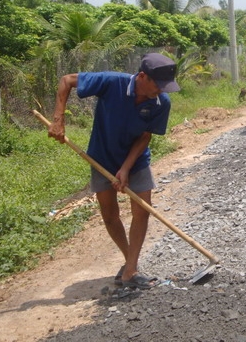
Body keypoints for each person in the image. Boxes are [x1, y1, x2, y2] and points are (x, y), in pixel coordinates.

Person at [48, 53, 180, 289]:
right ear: (142, 76)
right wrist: (58, 119)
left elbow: (145, 136)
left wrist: (126, 168)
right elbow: (67, 80)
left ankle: (130, 270)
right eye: (157, 85)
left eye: (165, 87)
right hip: (102, 157)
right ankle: (130, 260)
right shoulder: (112, 82)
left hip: (136, 160)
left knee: (142, 211)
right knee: (110, 215)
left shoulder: (162, 102)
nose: (161, 91)